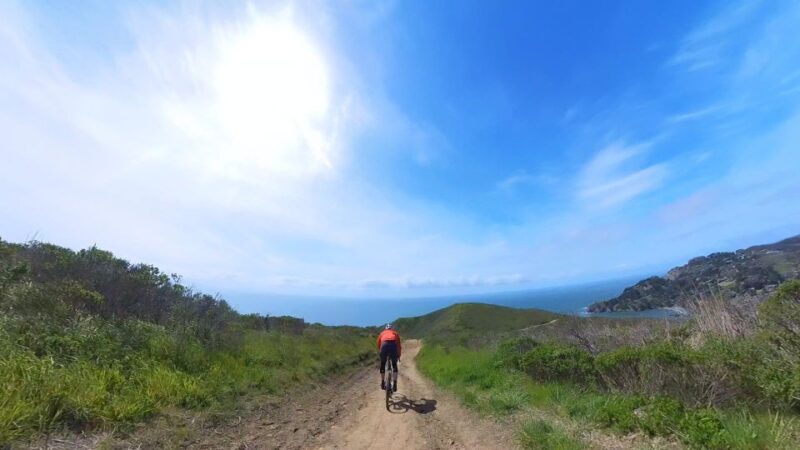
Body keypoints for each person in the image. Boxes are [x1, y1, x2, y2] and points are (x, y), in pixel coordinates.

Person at [377, 323, 401, 391]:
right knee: (394, 365)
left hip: (384, 346)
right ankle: (395, 383)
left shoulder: (382, 333)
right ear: (391, 329)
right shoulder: (395, 333)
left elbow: (378, 344)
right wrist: (398, 355)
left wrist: (381, 352)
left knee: (383, 364)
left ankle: (382, 382)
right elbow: (398, 345)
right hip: (393, 346)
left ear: (385, 329)